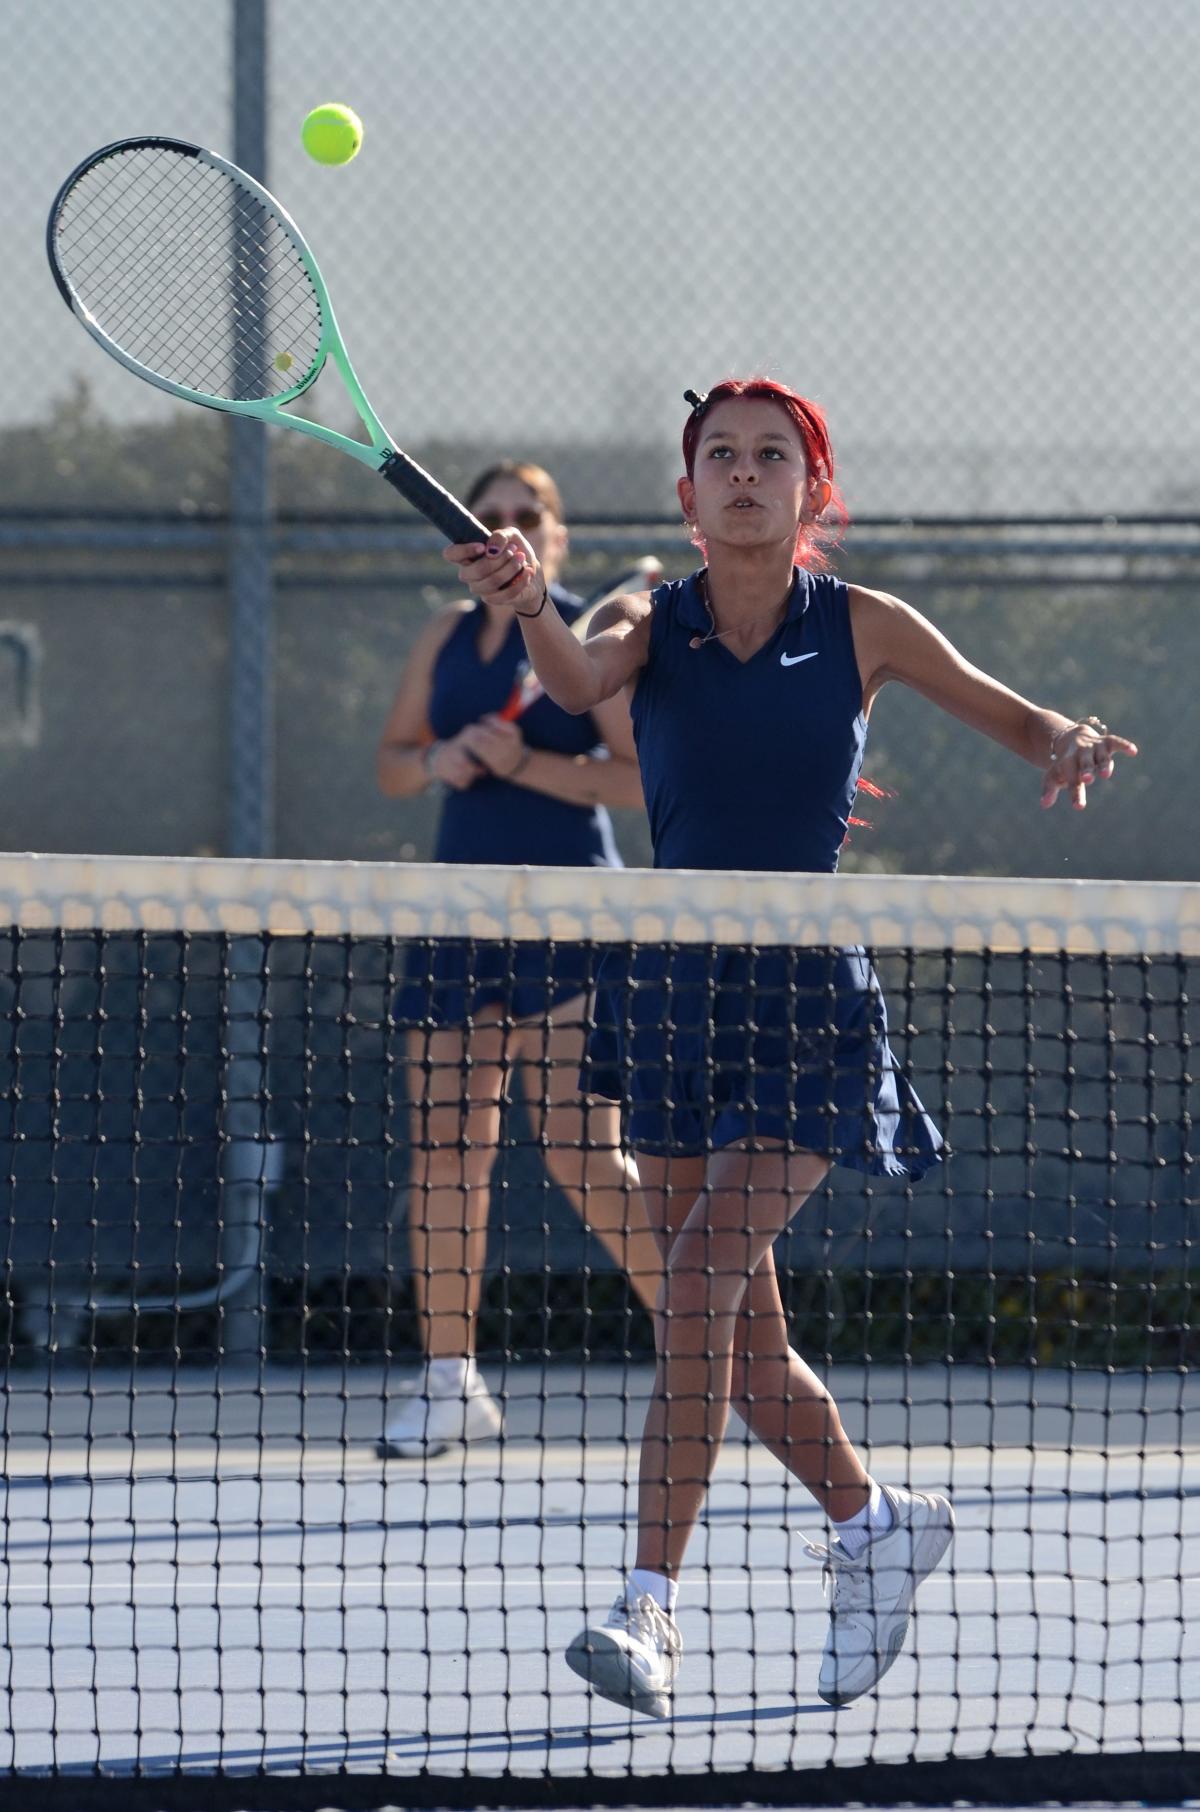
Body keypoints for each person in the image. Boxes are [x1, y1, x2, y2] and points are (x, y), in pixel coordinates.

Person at [443, 380, 1138, 1716]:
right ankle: (877, 1527)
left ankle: (646, 1610)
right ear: (687, 495)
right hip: (676, 999)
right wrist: (529, 597)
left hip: (811, 1002)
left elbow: (1010, 714)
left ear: (814, 491)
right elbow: (579, 682)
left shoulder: (865, 624)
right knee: (738, 1340)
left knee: (697, 1284)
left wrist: (1066, 739)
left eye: (775, 457)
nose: (747, 473)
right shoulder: (644, 614)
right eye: (722, 456)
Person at [377, 460, 660, 1458]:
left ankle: (713, 1346)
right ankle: (448, 1382)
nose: (502, 528)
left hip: (571, 919)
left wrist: (527, 764)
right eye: (485, 516)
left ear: (553, 534)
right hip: (459, 916)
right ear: (462, 541)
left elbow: (640, 782)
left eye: (522, 516)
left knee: (585, 1154)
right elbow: (393, 760)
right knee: (447, 1151)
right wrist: (435, 763)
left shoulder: (589, 637)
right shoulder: (444, 639)